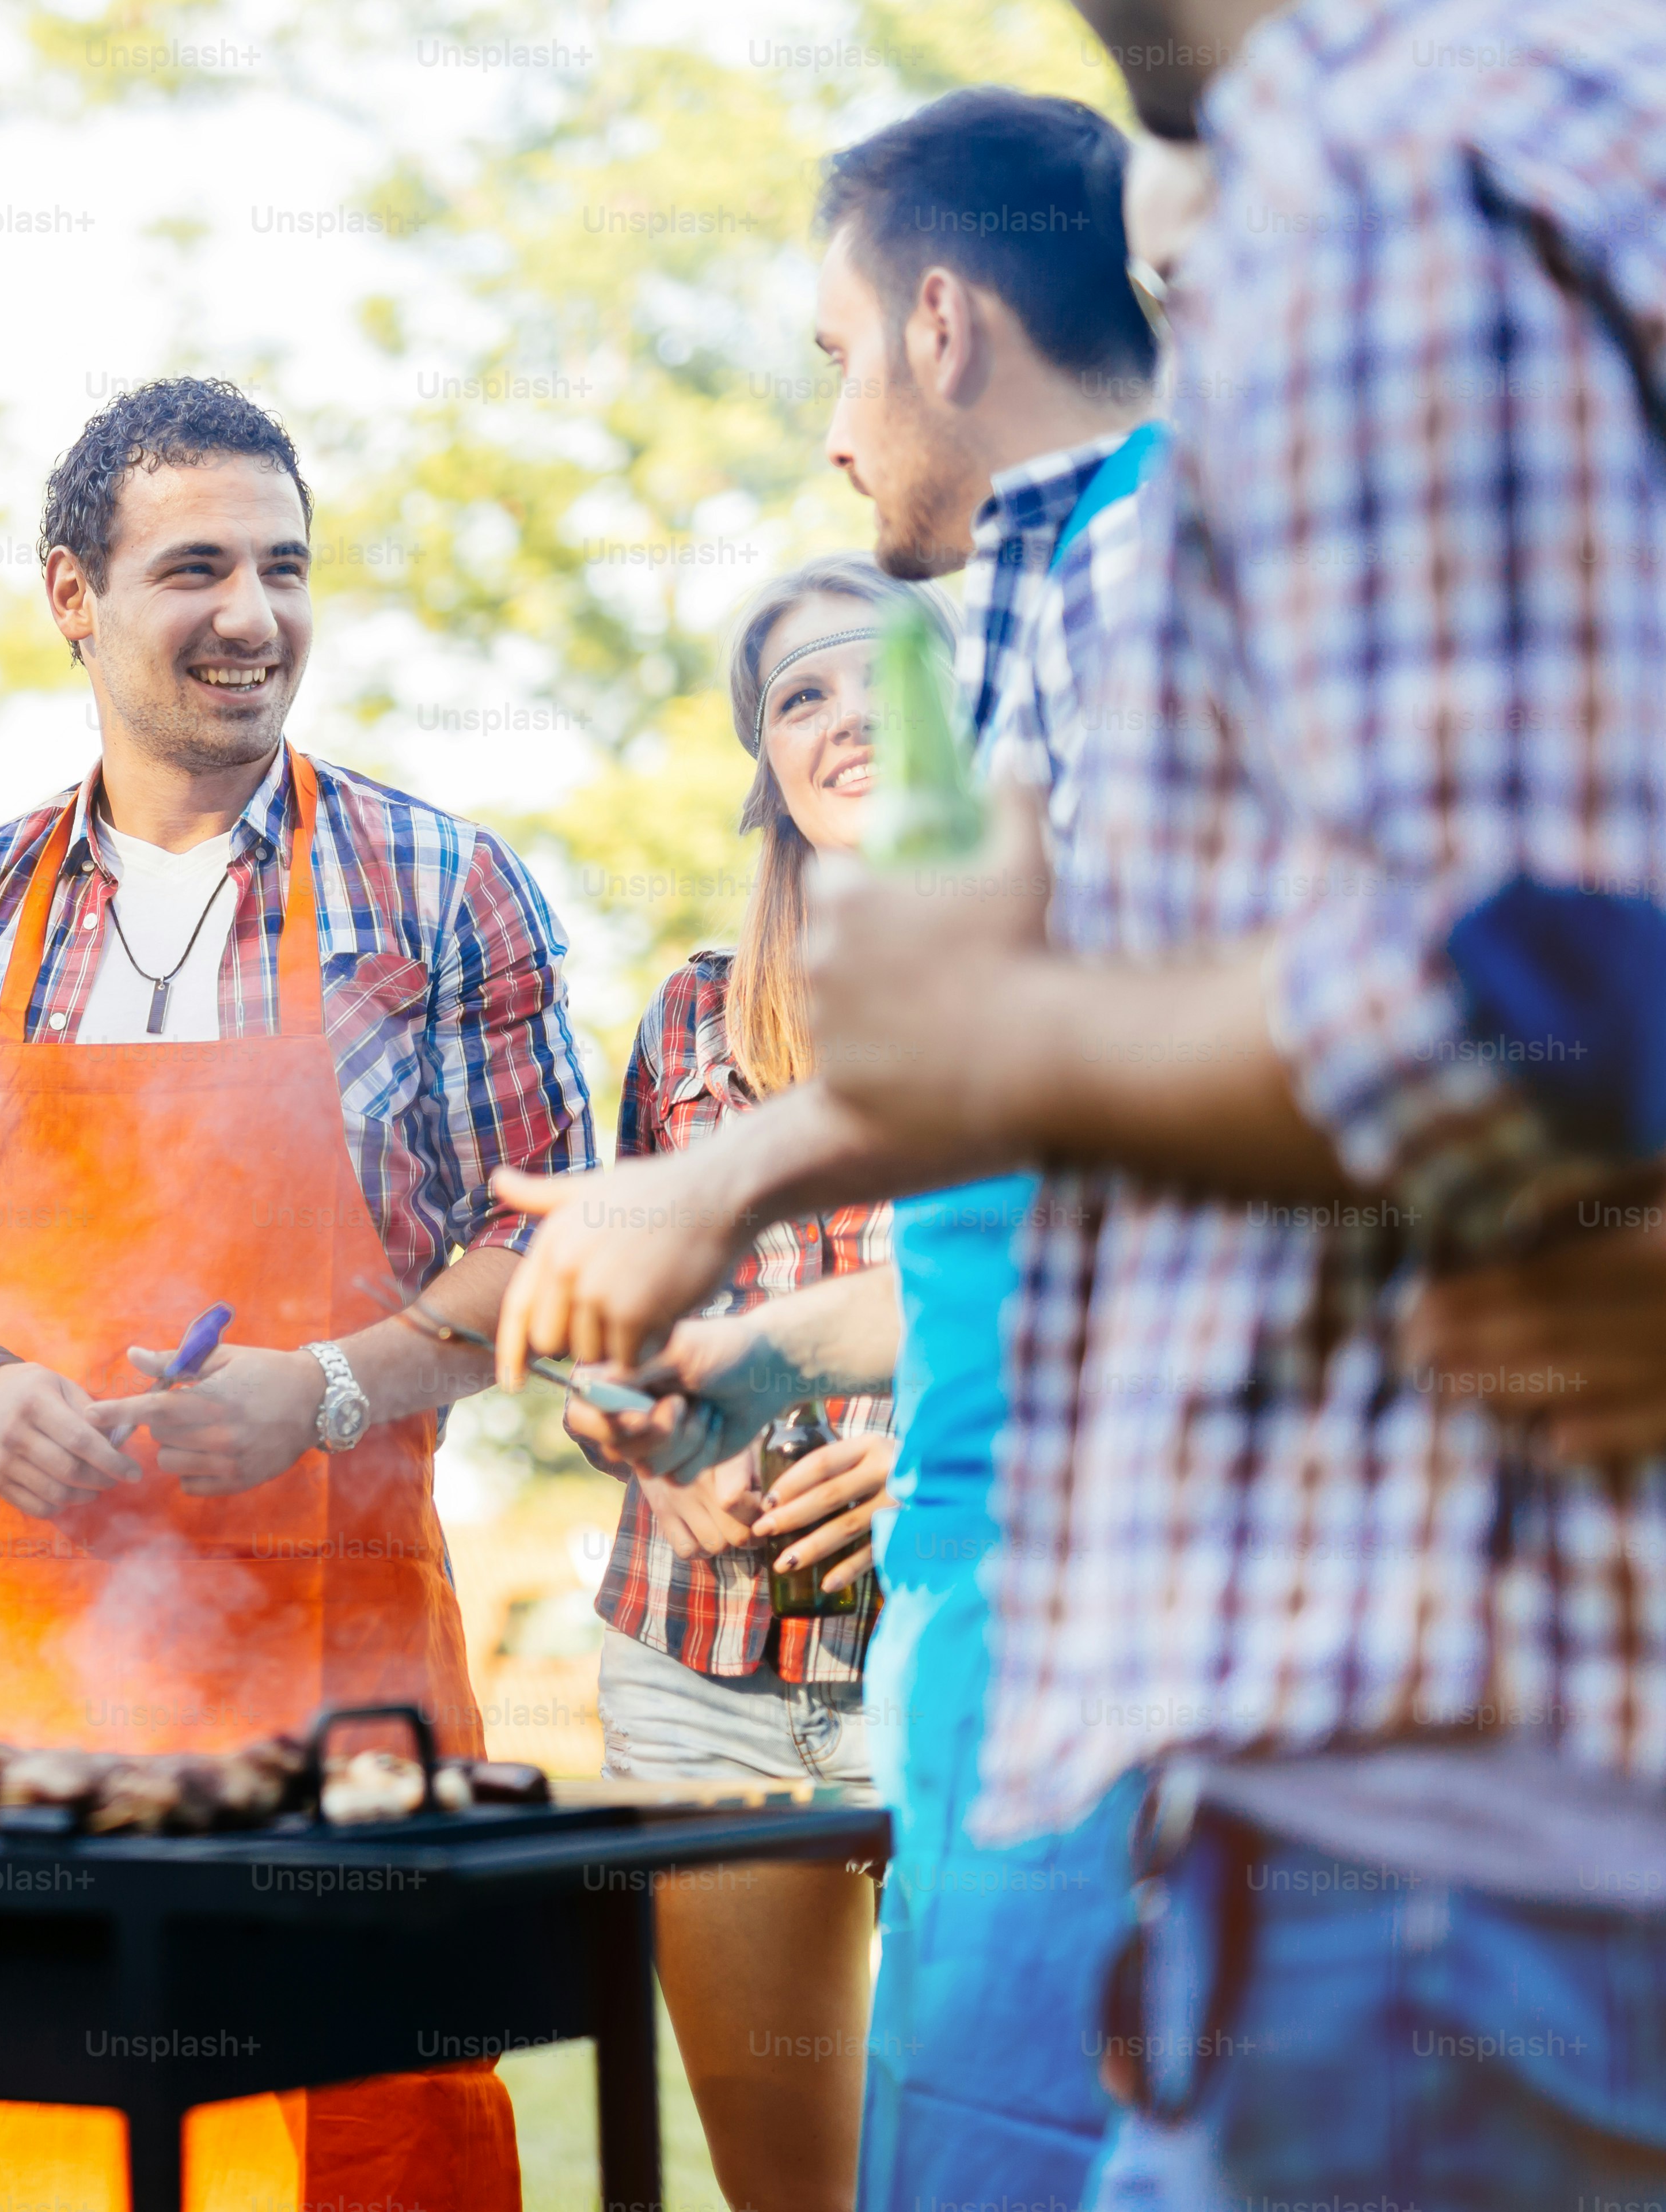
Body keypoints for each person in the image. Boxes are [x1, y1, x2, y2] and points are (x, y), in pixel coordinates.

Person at [756, 0, 1666, 2199]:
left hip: (1449, 1842)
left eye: (833, 356)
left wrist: (1003, 1042)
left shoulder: (1401, 157)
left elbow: (1532, 996)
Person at [0, 377, 589, 2212]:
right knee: (26, 2145)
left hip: (344, 1688)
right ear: (73, 594)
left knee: (356, 2136)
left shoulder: (439, 888)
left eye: (286, 568)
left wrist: (318, 1391)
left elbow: (543, 1234)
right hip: (34, 1684)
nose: (255, 614)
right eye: (198, 567)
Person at [496, 86, 1170, 2212]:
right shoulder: (1041, 608)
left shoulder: (1169, 580)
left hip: (1126, 1616)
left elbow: (1158, 1065)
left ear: (944, 324)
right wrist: (775, 1351)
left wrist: (709, 1190)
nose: (835, 428)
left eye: (837, 357)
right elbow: (1044, 1185)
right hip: (968, 1636)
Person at [548, 552, 944, 2212]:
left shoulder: (1067, 998)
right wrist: (649, 1450)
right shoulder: (699, 1017)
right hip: (703, 1678)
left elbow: (1110, 1316)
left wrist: (924, 1465)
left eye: (878, 676)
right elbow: (606, 1340)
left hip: (964, 1664)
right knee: (794, 2191)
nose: (844, 714)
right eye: (799, 695)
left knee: (1000, 2163)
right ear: (766, 768)